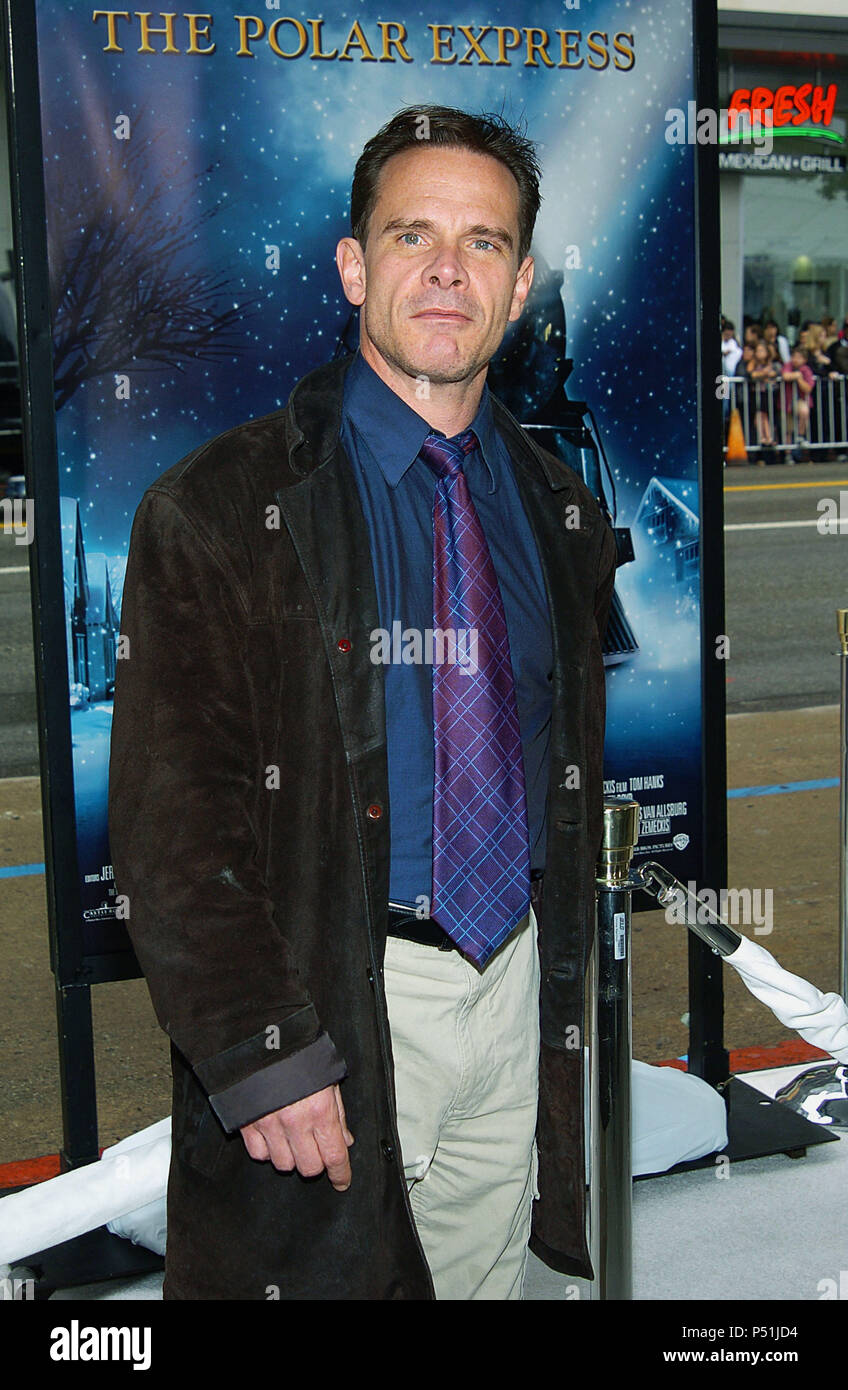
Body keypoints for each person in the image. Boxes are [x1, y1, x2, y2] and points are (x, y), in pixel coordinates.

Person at [107, 104, 618, 1301]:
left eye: (483, 243)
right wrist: (263, 1049)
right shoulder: (222, 506)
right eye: (411, 236)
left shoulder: (554, 510)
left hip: (510, 993)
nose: (447, 269)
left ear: (520, 281)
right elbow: (170, 828)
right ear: (352, 265)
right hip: (334, 998)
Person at [746, 339, 778, 461]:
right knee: (759, 414)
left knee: (766, 415)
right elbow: (751, 374)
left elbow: (774, 373)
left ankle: (769, 436)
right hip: (757, 392)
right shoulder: (753, 363)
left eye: (761, 350)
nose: (759, 353)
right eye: (757, 350)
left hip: (767, 393)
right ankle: (762, 437)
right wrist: (763, 374)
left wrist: (765, 374)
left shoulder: (770, 363)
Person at [782, 344, 815, 462]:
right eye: (794, 357)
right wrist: (795, 375)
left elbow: (808, 388)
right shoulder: (788, 365)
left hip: (800, 399)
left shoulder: (806, 370)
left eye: (799, 357)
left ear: (804, 360)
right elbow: (785, 376)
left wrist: (799, 378)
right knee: (788, 429)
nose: (795, 360)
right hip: (787, 401)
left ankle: (800, 435)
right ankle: (788, 454)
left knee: (804, 411)